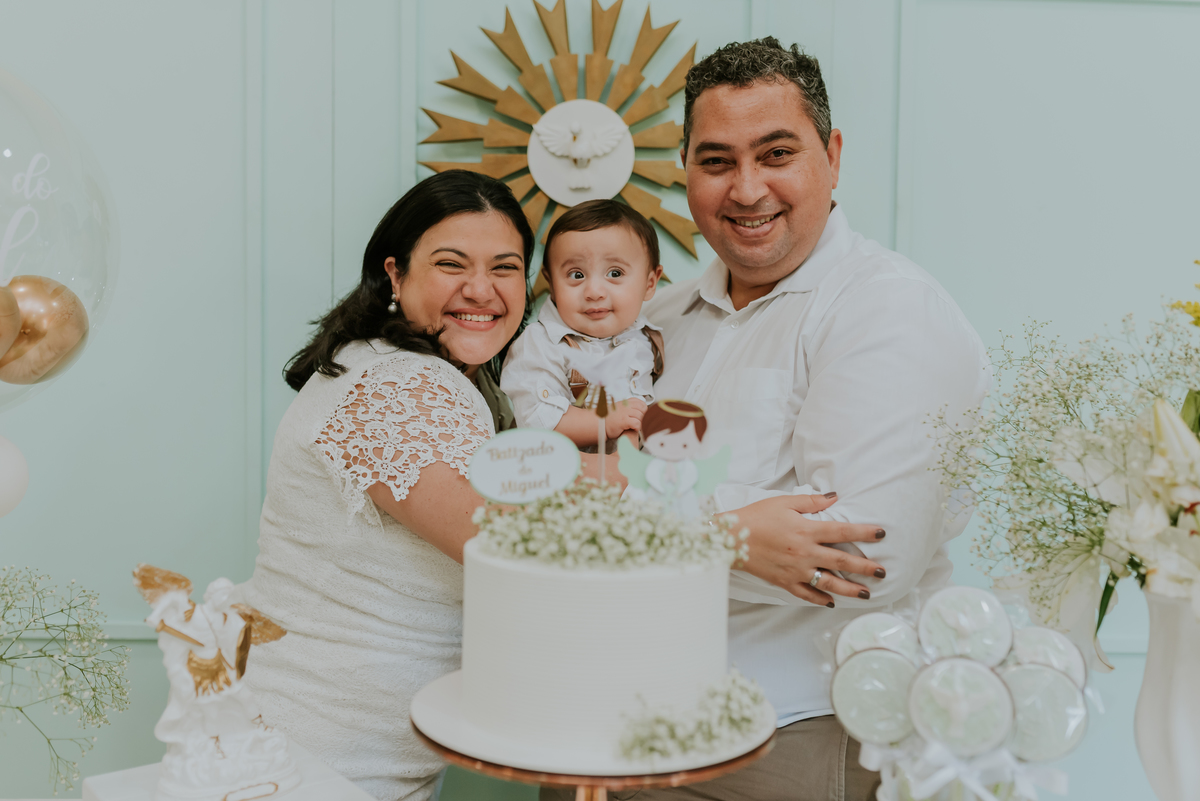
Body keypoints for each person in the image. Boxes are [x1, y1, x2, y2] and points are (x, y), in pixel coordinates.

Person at [541, 37, 989, 801]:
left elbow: (859, 559)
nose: (747, 189)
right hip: (605, 717)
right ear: (686, 170)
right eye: (716, 161)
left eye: (776, 153)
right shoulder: (660, 318)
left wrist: (632, 508)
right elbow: (556, 496)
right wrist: (736, 534)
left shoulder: (887, 310)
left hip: (786, 737)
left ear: (832, 154)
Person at [232, 170, 537, 801]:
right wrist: (730, 529)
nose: (481, 290)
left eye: (505, 268)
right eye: (452, 263)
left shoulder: (389, 365)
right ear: (395, 275)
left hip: (335, 752)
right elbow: (510, 546)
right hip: (313, 763)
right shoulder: (401, 385)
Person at [501, 199, 664, 451]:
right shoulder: (542, 344)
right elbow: (535, 417)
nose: (594, 292)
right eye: (577, 275)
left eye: (615, 273)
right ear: (551, 283)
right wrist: (605, 422)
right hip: (559, 479)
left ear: (650, 283)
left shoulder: (647, 339)